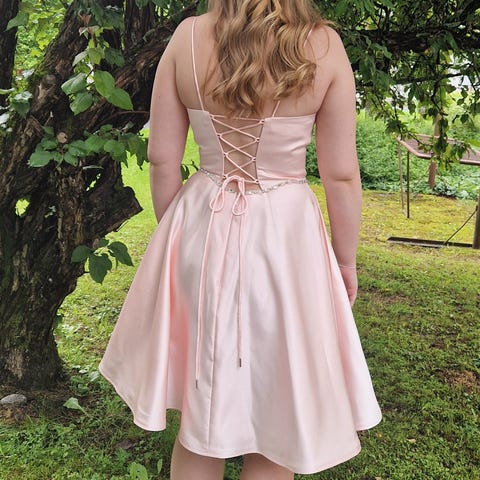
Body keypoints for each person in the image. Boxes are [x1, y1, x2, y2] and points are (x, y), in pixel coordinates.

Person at [99, 1, 382, 478]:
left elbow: (163, 159)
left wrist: (178, 242)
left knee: (200, 409)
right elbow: (340, 175)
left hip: (202, 222)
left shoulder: (187, 38)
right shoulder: (323, 46)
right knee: (277, 412)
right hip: (286, 239)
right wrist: (345, 261)